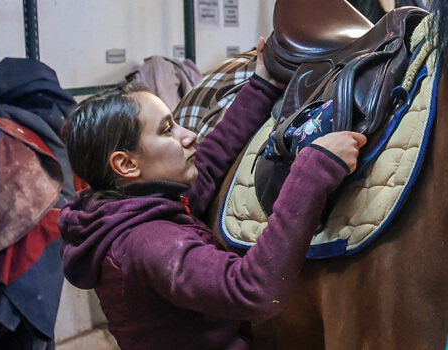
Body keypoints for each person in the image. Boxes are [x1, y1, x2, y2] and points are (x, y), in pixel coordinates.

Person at [58, 38, 367, 350]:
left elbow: (207, 165)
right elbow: (252, 290)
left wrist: (262, 85)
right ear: (126, 164)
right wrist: (313, 172)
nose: (189, 135)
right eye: (167, 131)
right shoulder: (150, 243)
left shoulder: (126, 206)